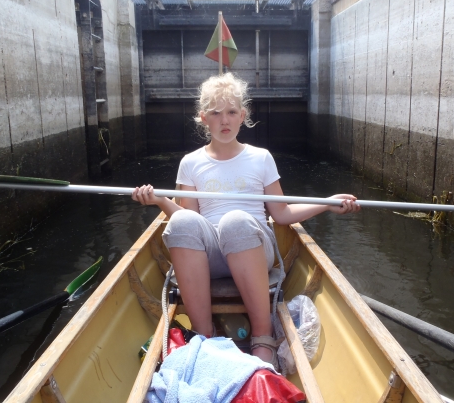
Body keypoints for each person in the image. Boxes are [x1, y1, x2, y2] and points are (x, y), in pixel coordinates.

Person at [131, 73, 360, 367]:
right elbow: (188, 217)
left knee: (236, 221)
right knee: (181, 224)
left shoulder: (260, 158)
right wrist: (161, 201)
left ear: (243, 116)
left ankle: (262, 337)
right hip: (211, 256)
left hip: (252, 249)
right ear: (203, 118)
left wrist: (327, 204)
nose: (224, 120)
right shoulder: (190, 162)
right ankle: (204, 335)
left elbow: (281, 213)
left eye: (231, 112)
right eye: (215, 113)